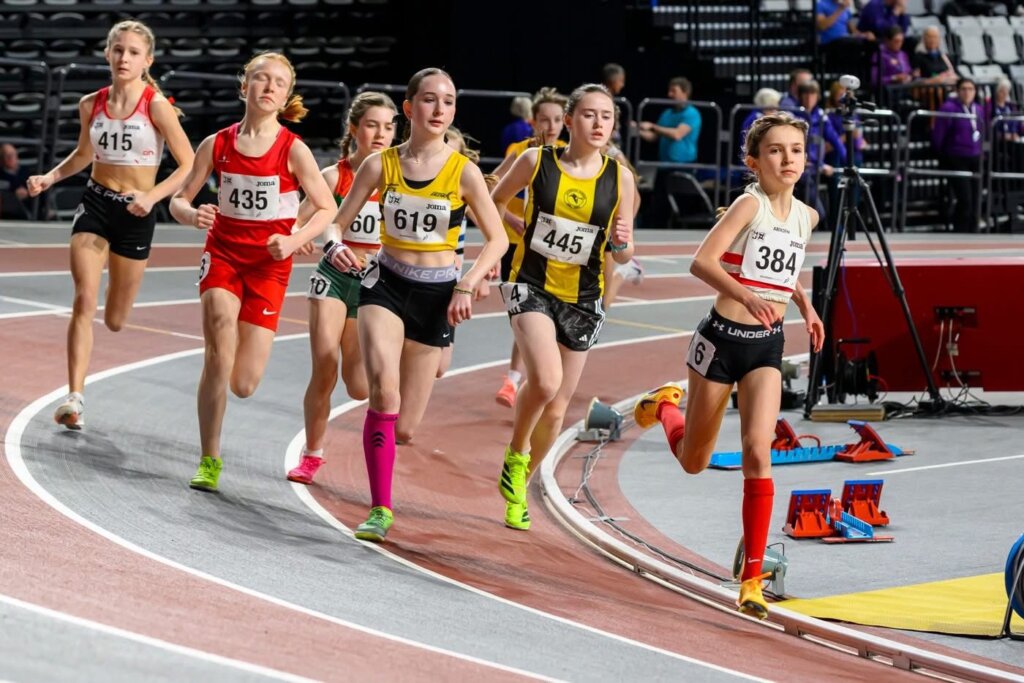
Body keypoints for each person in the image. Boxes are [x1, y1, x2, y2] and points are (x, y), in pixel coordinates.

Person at [633, 112, 824, 619]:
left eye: (796, 151)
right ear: (754, 162)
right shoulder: (748, 204)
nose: (787, 160)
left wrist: (803, 306)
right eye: (776, 151)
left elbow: (784, 266)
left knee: (757, 453)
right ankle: (665, 407)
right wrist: (746, 296)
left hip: (766, 347)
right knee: (694, 461)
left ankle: (752, 580)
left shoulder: (807, 217)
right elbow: (703, 260)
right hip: (721, 341)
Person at [327, 67, 507, 542]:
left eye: (448, 102)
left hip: (436, 296)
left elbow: (499, 239)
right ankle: (380, 509)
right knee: (383, 394)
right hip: (384, 284)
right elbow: (334, 222)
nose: (439, 109)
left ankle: (405, 387)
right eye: (429, 100)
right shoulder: (379, 165)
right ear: (409, 109)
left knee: (405, 428)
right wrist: (333, 246)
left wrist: (468, 284)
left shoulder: (463, 172)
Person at [169, 52, 336, 491]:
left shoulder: (292, 149)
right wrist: (191, 215)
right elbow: (178, 198)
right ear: (244, 87)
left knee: (243, 382)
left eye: (278, 83)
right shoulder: (217, 144)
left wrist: (295, 239)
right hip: (223, 254)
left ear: (285, 97)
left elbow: (326, 207)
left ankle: (221, 417)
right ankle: (209, 459)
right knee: (218, 349)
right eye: (260, 78)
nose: (268, 86)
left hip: (268, 267)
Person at [26, 20, 194, 431]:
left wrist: (151, 197)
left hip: (136, 214)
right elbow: (84, 154)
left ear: (147, 60)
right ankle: (75, 397)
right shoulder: (91, 104)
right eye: (118, 50)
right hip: (97, 204)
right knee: (84, 298)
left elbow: (187, 163)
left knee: (116, 317)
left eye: (133, 52)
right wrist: (50, 177)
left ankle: (113, 308)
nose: (124, 58)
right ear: (107, 53)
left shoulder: (156, 106)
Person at [491, 83, 637, 531]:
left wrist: (622, 243)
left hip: (583, 296)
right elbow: (494, 198)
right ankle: (516, 455)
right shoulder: (537, 161)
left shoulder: (620, 178)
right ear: (570, 120)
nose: (598, 124)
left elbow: (625, 255)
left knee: (557, 409)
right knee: (547, 380)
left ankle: (520, 489)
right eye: (589, 115)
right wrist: (514, 221)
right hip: (529, 282)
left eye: (607, 117)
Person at [286, 91, 398, 486]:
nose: (381, 133)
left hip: (371, 286)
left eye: (389, 126)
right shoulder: (335, 177)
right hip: (332, 279)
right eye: (372, 125)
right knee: (324, 365)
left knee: (358, 386)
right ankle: (312, 454)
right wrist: (300, 236)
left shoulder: (399, 179)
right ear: (354, 129)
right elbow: (298, 222)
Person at [491, 87, 569, 408]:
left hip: (558, 249)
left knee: (553, 319)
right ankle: (513, 378)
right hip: (519, 245)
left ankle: (540, 380)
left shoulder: (571, 152)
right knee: (528, 315)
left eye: (555, 120)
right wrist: (510, 218)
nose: (550, 127)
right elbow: (490, 185)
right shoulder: (521, 151)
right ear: (532, 121)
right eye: (543, 120)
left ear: (565, 122)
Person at [639, 77, 702, 229]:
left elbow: (677, 134)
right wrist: (637, 129)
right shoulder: (666, 113)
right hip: (663, 167)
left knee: (682, 205)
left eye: (674, 91)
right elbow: (654, 137)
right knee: (659, 205)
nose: (670, 94)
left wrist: (652, 126)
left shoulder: (692, 113)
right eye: (669, 91)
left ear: (685, 92)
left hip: (683, 166)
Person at [931, 78, 984, 233]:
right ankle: (960, 231)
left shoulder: (978, 109)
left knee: (976, 199)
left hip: (975, 157)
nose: (967, 92)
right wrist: (942, 155)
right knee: (965, 198)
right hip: (956, 157)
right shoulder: (948, 108)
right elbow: (939, 134)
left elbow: (983, 132)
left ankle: (973, 231)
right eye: (964, 89)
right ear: (958, 91)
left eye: (971, 89)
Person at [0, 143, 31, 219]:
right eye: (7, 155)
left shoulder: (25, 171)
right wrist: (14, 194)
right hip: (7, 211)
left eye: (12, 154)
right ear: (1, 158)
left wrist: (27, 192)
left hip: (27, 206)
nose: (10, 158)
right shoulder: (0, 173)